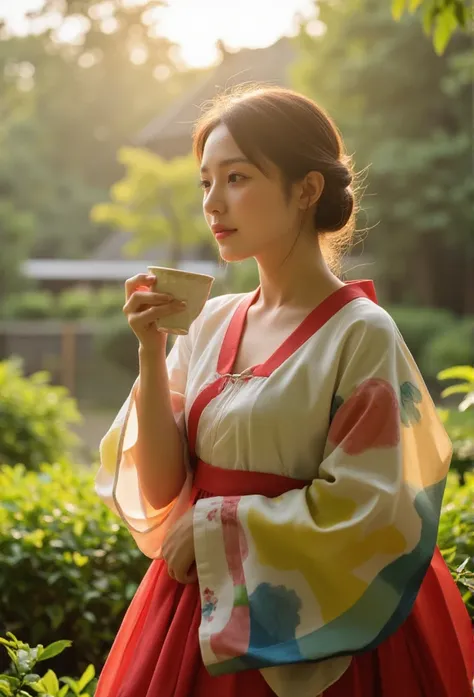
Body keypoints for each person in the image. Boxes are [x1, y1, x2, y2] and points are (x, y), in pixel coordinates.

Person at [94, 86, 473, 697]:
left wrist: (217, 528)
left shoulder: (361, 333)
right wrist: (150, 350)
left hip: (323, 629)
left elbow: (377, 511)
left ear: (306, 189)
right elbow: (163, 489)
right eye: (205, 182)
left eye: (237, 177)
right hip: (194, 608)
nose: (214, 203)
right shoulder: (210, 320)